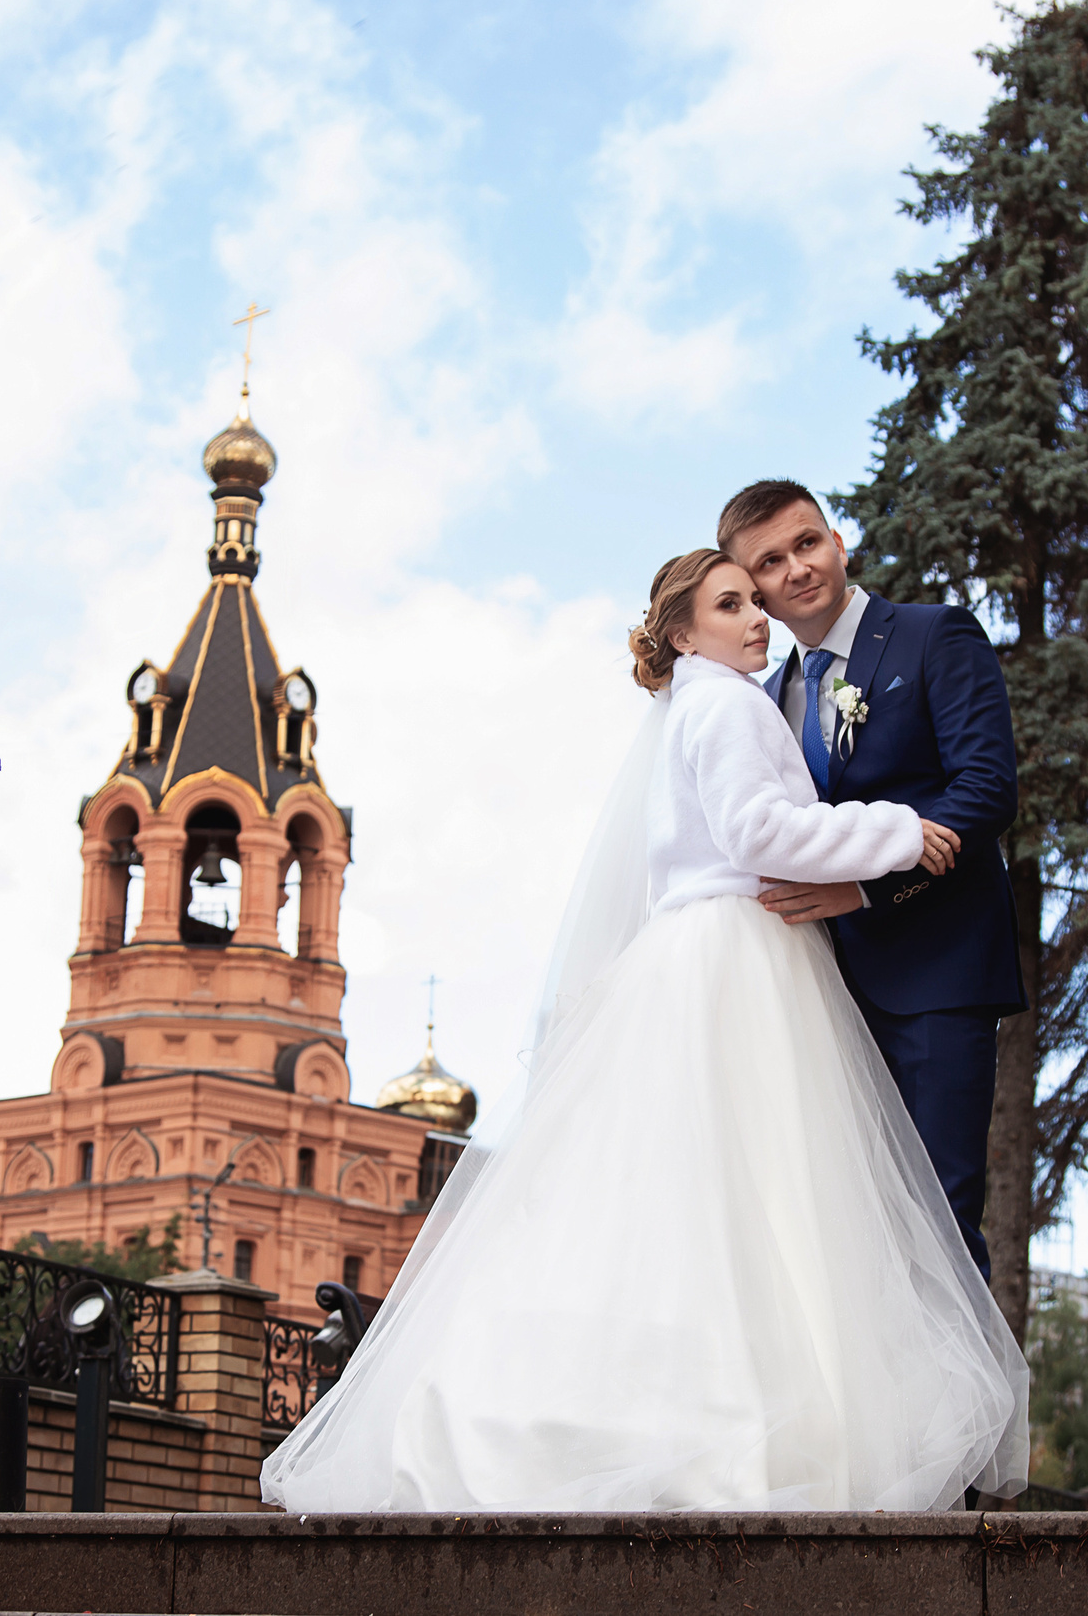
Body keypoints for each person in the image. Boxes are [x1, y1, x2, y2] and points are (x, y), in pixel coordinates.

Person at [258, 549, 1028, 1512]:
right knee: (764, 1190)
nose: (758, 619)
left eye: (756, 602)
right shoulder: (732, 704)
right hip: (739, 958)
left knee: (690, 1197)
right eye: (733, 603)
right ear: (681, 630)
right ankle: (748, 1416)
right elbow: (757, 831)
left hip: (700, 953)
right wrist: (903, 832)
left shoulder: (690, 708)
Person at [719, 481, 1024, 1278]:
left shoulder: (934, 637)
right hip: (822, 994)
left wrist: (865, 891)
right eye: (771, 562)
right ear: (755, 587)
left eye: (807, 543)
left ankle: (970, 1410)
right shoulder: (769, 698)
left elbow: (985, 791)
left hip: (936, 973)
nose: (797, 569)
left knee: (937, 1218)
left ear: (839, 541)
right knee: (846, 1232)